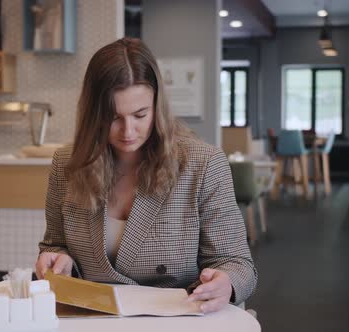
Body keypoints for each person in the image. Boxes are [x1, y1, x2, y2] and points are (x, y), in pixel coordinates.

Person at [35, 37, 257, 313]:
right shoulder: (67, 164)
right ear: (93, 114)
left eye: (140, 115)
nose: (127, 132)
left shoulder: (203, 164)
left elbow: (237, 264)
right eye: (113, 117)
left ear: (157, 106)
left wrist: (226, 283)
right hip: (94, 317)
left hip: (179, 319)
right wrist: (57, 258)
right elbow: (54, 244)